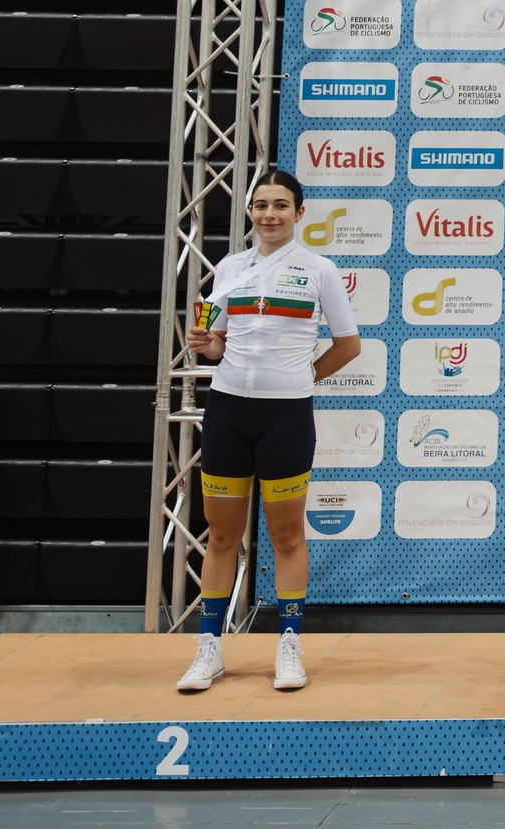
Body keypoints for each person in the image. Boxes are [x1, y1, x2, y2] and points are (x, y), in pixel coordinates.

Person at [177, 168, 360, 693]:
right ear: (250, 212)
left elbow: (348, 345)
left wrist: (305, 377)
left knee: (285, 536)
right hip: (228, 412)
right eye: (261, 205)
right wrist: (207, 346)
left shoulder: (320, 270)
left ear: (299, 213)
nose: (269, 214)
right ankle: (209, 648)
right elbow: (217, 342)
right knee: (221, 536)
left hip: (286, 417)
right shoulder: (230, 268)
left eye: (281, 205)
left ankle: (289, 645)